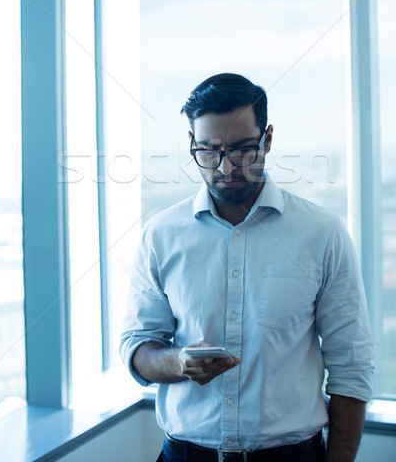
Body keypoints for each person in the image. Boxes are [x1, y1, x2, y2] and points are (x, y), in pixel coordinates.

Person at [120, 73, 374, 462]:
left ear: (267, 139)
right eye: (208, 151)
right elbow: (137, 346)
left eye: (242, 150)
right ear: (191, 143)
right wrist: (178, 363)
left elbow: (351, 367)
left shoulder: (322, 234)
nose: (225, 168)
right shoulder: (160, 235)